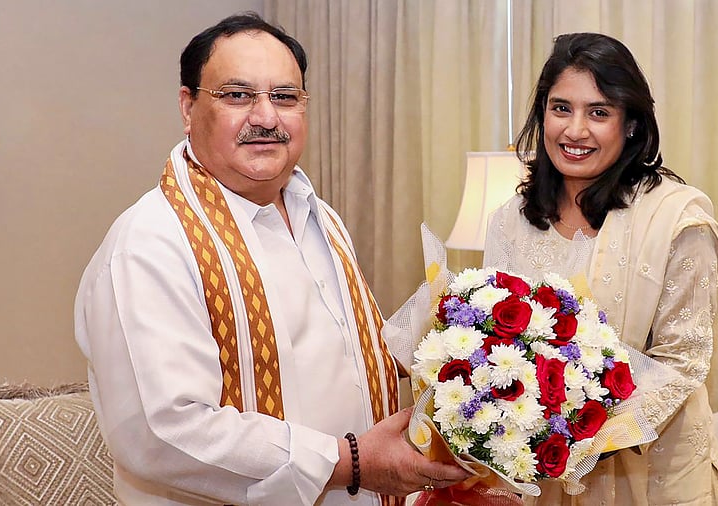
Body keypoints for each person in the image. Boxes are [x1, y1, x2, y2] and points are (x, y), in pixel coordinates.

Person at [74, 13, 469, 506]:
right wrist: (349, 463)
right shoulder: (151, 242)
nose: (266, 117)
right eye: (237, 95)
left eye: (284, 97)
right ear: (187, 106)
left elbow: (332, 353)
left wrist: (461, 350)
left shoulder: (318, 215)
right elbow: (162, 432)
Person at [483, 33, 718, 505]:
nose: (575, 131)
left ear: (631, 124)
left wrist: (588, 440)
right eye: (561, 108)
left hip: (657, 476)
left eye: (599, 112)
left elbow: (681, 362)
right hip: (545, 475)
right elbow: (497, 347)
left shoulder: (679, 220)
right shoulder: (509, 221)